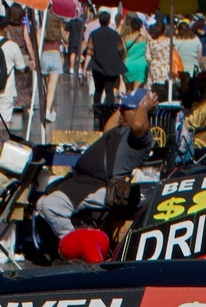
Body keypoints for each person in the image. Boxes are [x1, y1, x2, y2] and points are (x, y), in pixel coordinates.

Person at [34, 87, 153, 246]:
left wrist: (144, 105)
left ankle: (78, 247)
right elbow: (108, 128)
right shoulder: (118, 130)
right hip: (83, 182)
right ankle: (77, 236)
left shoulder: (140, 138)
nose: (121, 111)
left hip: (102, 186)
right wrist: (125, 105)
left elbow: (138, 125)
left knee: (52, 206)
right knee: (41, 203)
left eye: (127, 108)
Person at [87, 11, 124, 124]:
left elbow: (90, 50)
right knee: (109, 91)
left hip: (97, 66)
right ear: (109, 21)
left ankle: (97, 113)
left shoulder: (94, 34)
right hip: (111, 66)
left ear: (99, 21)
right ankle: (110, 114)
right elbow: (121, 50)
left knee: (98, 90)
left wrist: (85, 66)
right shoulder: (115, 34)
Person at [146, 19, 173, 99]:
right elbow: (174, 54)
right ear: (164, 30)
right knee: (167, 89)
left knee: (154, 91)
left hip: (155, 67)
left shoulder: (151, 42)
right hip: (168, 66)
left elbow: (148, 57)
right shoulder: (170, 41)